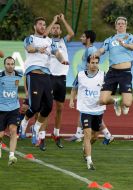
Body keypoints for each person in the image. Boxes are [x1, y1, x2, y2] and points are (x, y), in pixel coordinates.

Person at [20, 17, 67, 151]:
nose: (42, 26)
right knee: (34, 106)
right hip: (33, 74)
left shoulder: (49, 40)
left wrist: (62, 60)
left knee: (48, 106)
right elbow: (29, 49)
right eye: (40, 24)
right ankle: (24, 123)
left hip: (46, 75)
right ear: (35, 26)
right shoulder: (30, 38)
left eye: (44, 25)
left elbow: (56, 52)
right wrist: (37, 50)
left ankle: (35, 127)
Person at [66, 30, 114, 145]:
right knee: (87, 109)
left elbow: (93, 65)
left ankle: (79, 135)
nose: (81, 38)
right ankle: (107, 135)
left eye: (83, 36)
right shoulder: (90, 49)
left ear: (88, 39)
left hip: (87, 81)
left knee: (87, 109)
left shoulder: (92, 50)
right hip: (84, 80)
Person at [37, 13, 74, 148]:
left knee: (59, 108)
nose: (55, 30)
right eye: (54, 28)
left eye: (58, 28)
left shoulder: (64, 41)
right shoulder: (47, 41)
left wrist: (63, 20)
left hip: (62, 78)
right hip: (50, 77)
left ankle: (56, 134)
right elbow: (44, 34)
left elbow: (71, 33)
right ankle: (41, 137)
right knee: (46, 108)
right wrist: (53, 21)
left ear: (60, 31)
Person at [92, 16, 133, 117]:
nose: (121, 25)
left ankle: (124, 104)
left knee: (127, 103)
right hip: (112, 72)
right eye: (119, 24)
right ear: (116, 26)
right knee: (102, 100)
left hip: (125, 73)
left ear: (126, 26)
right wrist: (96, 54)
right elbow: (101, 50)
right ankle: (116, 101)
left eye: (123, 23)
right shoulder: (109, 39)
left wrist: (124, 45)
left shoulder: (130, 37)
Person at [69, 55, 106, 170]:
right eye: (92, 62)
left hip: (98, 110)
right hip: (85, 109)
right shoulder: (80, 75)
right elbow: (74, 88)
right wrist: (71, 100)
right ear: (87, 64)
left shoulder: (103, 75)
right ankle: (89, 161)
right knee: (87, 134)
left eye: (96, 62)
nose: (94, 65)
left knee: (95, 137)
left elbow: (109, 90)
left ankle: (85, 147)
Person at [0, 56, 22, 165]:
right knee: (1, 134)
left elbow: (27, 81)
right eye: (8, 64)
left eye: (12, 64)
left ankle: (12, 156)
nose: (10, 66)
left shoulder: (19, 74)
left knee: (13, 130)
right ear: (4, 65)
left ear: (14, 65)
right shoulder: (0, 75)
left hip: (14, 108)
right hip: (1, 108)